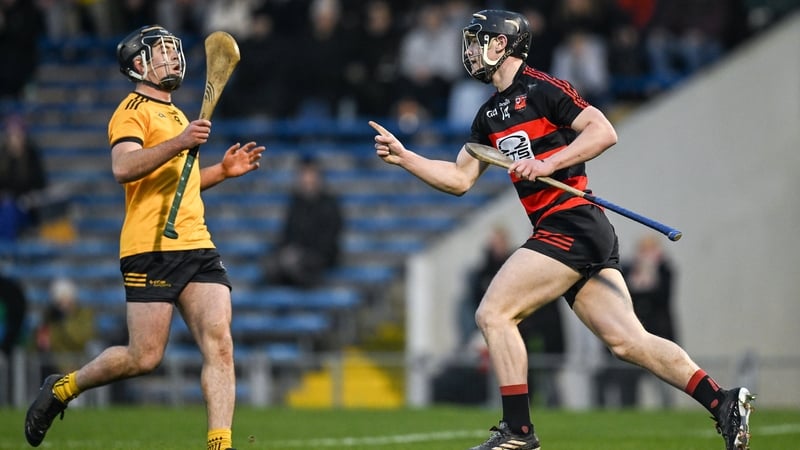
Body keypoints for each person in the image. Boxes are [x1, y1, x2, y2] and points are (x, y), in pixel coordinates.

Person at [369, 9, 753, 450]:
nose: (471, 51)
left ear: (502, 44)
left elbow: (603, 131)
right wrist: (405, 157)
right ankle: (722, 400)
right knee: (628, 342)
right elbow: (459, 179)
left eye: (479, 40)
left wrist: (548, 162)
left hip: (571, 222)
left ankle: (518, 432)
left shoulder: (543, 88)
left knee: (493, 314)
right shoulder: (487, 116)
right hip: (572, 232)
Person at [24, 25, 265, 450]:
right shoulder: (130, 111)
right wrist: (179, 143)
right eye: (162, 52)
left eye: (175, 51)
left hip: (196, 242)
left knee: (220, 344)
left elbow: (180, 184)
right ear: (139, 64)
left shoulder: (176, 115)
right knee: (144, 358)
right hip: (150, 248)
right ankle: (62, 389)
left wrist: (222, 172)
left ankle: (220, 444)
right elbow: (124, 167)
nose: (173, 58)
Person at [263, 155, 343, 289]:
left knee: (292, 263)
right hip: (297, 254)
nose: (306, 178)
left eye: (310, 173)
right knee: (271, 264)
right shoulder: (295, 203)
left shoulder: (329, 204)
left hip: (321, 256)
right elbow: (288, 233)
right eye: (303, 174)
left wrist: (302, 252)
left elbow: (330, 239)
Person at [34, 277, 96, 378]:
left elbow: (79, 339)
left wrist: (66, 319)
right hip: (54, 367)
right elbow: (45, 343)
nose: (63, 304)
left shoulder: (84, 315)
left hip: (80, 367)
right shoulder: (50, 317)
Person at [0, 114, 47, 240]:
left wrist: (27, 198)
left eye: (18, 134)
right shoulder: (3, 155)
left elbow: (40, 185)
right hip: (5, 206)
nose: (15, 138)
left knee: (10, 209)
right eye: (12, 135)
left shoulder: (31, 155)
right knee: (7, 208)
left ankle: (7, 249)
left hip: (27, 208)